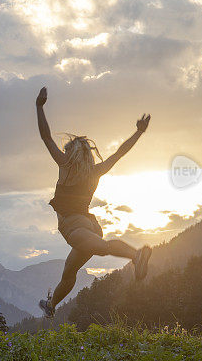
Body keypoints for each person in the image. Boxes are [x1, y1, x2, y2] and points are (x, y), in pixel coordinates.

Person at [35, 86, 152, 318]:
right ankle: (51, 306)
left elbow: (46, 136)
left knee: (104, 248)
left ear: (71, 153)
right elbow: (120, 152)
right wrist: (138, 133)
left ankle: (136, 255)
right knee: (69, 271)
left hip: (74, 227)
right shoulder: (96, 171)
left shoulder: (64, 165)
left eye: (67, 149)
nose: (65, 152)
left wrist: (39, 107)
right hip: (90, 225)